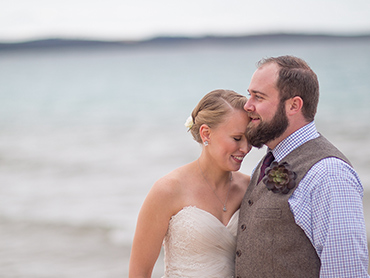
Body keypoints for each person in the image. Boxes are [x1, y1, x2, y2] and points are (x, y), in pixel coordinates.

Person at [235, 55, 369, 277]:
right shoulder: (267, 161)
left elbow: (347, 271)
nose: (247, 105)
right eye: (249, 94)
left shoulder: (328, 174)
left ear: (294, 105)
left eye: (258, 97)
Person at [129, 89, 252, 277]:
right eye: (237, 138)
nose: (245, 148)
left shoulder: (250, 189)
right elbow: (139, 273)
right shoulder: (168, 190)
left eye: (250, 139)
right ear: (206, 134)